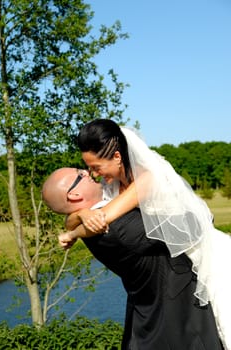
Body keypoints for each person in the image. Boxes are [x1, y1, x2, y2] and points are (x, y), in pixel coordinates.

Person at [65, 119, 231, 350]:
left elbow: (104, 216)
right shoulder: (112, 182)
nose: (93, 174)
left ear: (116, 157)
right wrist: (79, 214)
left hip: (207, 254)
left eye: (96, 167)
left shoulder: (147, 178)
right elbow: (86, 213)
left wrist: (71, 234)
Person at [42, 167, 224, 350]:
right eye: (79, 174)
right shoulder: (120, 227)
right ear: (74, 194)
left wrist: (78, 216)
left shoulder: (93, 222)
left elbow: (76, 217)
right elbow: (196, 225)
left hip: (150, 317)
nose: (86, 171)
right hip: (180, 325)